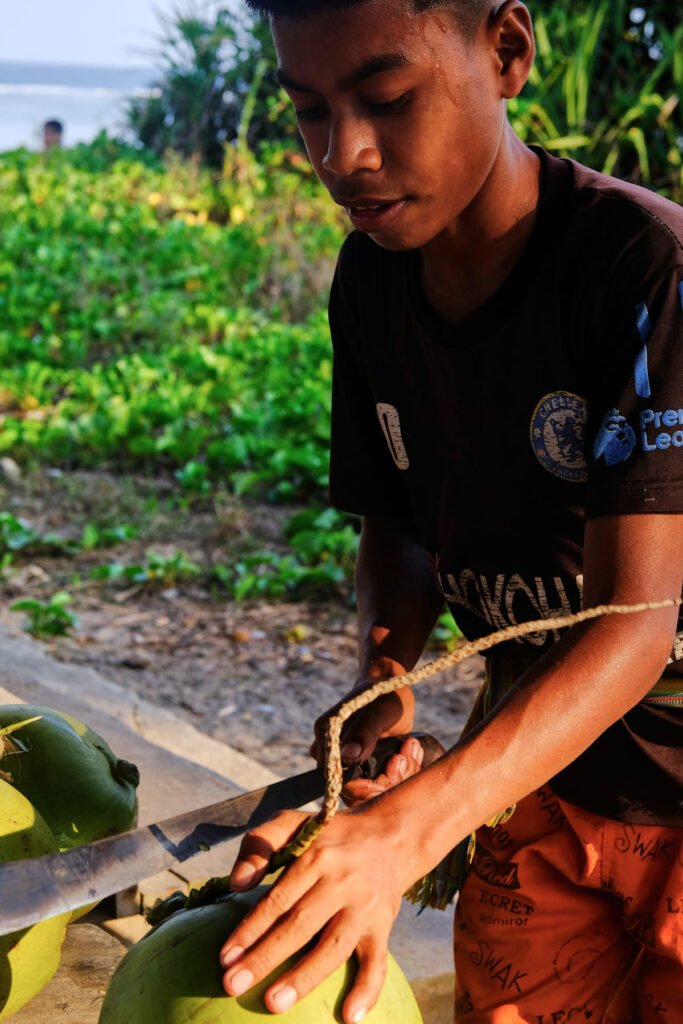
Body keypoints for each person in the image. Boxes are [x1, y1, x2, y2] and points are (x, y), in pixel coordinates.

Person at [219, 2, 683, 1021]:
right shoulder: (372, 283)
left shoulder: (639, 270)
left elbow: (635, 623)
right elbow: (401, 522)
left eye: (386, 98)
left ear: (506, 51)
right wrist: (381, 684)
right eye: (307, 110)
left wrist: (413, 828)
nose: (342, 152)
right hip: (537, 781)